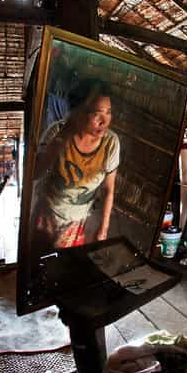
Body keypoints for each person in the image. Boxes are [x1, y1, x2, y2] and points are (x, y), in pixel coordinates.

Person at [35, 78, 120, 249]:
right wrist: (62, 139)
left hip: (75, 223)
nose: (104, 121)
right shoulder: (58, 132)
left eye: (108, 112)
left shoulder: (111, 143)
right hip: (47, 215)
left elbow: (109, 189)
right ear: (80, 111)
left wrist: (103, 230)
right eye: (97, 113)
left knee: (64, 268)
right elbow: (36, 172)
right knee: (39, 263)